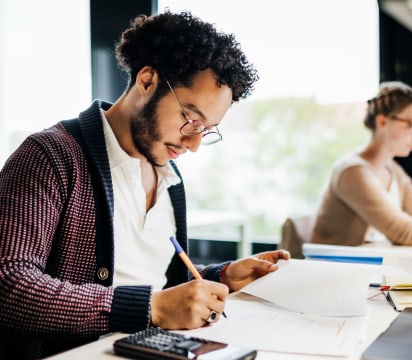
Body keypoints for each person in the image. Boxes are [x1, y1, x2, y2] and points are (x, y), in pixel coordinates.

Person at [0, 10, 290, 360]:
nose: (194, 144)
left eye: (207, 129)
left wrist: (222, 276)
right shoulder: (51, 156)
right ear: (148, 80)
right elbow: (10, 284)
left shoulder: (169, 176)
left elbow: (158, 283)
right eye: (190, 119)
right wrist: (148, 308)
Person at [311, 81, 412, 246]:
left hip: (368, 266)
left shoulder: (393, 170)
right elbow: (401, 231)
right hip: (335, 268)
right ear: (382, 122)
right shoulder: (352, 172)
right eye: (409, 124)